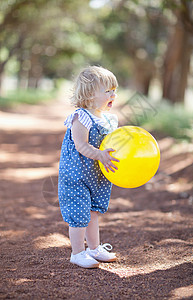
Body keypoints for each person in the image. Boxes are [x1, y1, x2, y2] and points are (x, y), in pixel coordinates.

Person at [58, 66, 120, 269]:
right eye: (108, 91)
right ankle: (77, 253)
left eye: (114, 90)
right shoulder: (81, 117)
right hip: (76, 173)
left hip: (96, 175)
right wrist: (101, 155)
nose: (113, 95)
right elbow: (81, 145)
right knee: (79, 214)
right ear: (90, 95)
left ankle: (94, 248)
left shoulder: (109, 119)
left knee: (93, 212)